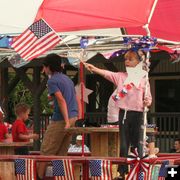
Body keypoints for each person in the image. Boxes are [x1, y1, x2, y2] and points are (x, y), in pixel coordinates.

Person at [84, 49, 152, 178]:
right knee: (124, 144)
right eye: (125, 59)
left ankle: (139, 171)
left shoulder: (144, 79)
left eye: (130, 59)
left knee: (138, 143)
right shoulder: (121, 76)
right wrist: (94, 68)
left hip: (138, 114)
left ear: (138, 62)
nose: (126, 61)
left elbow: (148, 98)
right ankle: (122, 172)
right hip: (124, 113)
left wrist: (147, 101)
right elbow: (106, 73)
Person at [37, 54, 79, 179]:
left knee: (46, 151)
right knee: (61, 153)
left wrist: (65, 121)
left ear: (48, 67)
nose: (43, 70)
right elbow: (76, 98)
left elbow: (61, 100)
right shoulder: (68, 79)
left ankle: (38, 177)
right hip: (73, 117)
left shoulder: (52, 80)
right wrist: (76, 116)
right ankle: (60, 177)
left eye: (44, 67)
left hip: (61, 120)